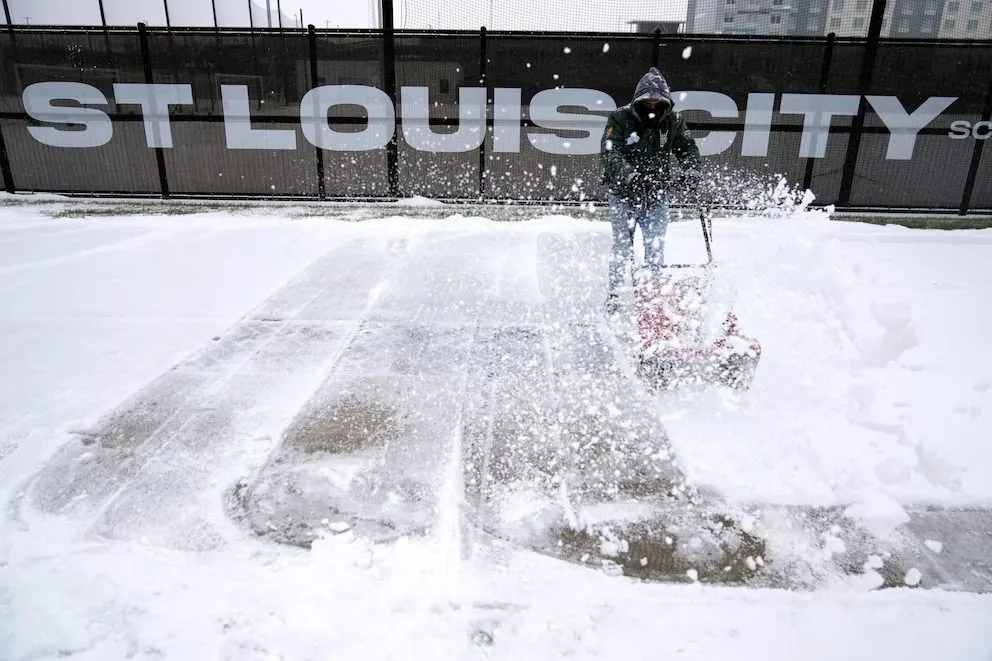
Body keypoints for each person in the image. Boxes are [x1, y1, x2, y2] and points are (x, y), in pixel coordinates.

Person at [600, 66, 701, 315]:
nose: (653, 108)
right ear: (639, 101)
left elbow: (687, 149)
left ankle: (655, 294)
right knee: (622, 246)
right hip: (624, 195)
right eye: (649, 103)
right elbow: (610, 153)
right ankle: (614, 294)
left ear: (666, 104)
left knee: (655, 246)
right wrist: (632, 177)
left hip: (657, 195)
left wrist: (691, 172)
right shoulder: (620, 119)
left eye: (658, 103)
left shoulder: (674, 121)